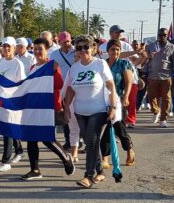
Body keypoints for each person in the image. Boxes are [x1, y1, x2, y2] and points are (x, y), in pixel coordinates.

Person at [64, 35, 116, 188]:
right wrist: (66, 107)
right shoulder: (74, 67)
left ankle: (88, 176)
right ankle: (100, 172)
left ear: (93, 48)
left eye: (86, 47)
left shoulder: (100, 64)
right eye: (79, 48)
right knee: (90, 142)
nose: (82, 50)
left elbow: (111, 86)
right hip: (80, 112)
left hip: (98, 111)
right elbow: (70, 89)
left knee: (92, 140)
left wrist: (112, 107)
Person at [21, 38, 75, 180]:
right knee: (31, 139)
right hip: (35, 108)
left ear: (47, 51)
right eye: (35, 49)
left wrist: (54, 70)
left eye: (41, 49)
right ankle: (35, 170)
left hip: (49, 108)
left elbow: (59, 84)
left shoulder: (52, 65)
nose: (38, 51)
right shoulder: (33, 67)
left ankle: (66, 158)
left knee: (47, 139)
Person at [100, 39, 136, 168]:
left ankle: (129, 150)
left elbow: (128, 82)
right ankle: (105, 157)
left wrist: (126, 97)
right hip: (103, 101)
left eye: (117, 49)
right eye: (112, 49)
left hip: (119, 100)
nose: (115, 52)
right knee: (106, 129)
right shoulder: (102, 64)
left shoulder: (124, 64)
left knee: (119, 128)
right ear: (108, 51)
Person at [99, 25, 143, 128]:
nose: (119, 34)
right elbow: (108, 56)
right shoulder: (102, 46)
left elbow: (134, 61)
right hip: (107, 88)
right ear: (111, 33)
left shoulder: (126, 45)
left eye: (120, 32)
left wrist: (142, 56)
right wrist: (135, 52)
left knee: (128, 103)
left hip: (125, 79)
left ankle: (130, 121)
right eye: (116, 32)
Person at [0, 37, 25, 172]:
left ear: (14, 48)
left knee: (7, 130)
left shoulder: (18, 64)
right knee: (8, 129)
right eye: (4, 46)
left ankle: (5, 161)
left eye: (9, 46)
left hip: (12, 102)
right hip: (1, 101)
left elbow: (21, 85)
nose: (6, 49)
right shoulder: (1, 61)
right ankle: (19, 150)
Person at [48, 31, 76, 150]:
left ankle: (79, 139)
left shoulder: (77, 51)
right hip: (63, 89)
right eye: (64, 42)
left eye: (69, 41)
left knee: (77, 114)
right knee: (66, 114)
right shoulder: (54, 54)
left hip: (76, 87)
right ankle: (68, 140)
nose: (67, 44)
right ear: (59, 42)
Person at [146, 28, 174, 128]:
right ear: (157, 35)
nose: (162, 37)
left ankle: (163, 120)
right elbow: (146, 59)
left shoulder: (172, 47)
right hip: (152, 76)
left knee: (166, 98)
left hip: (166, 76)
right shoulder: (151, 46)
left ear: (167, 36)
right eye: (160, 35)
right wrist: (149, 56)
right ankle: (155, 111)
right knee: (151, 96)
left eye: (164, 35)